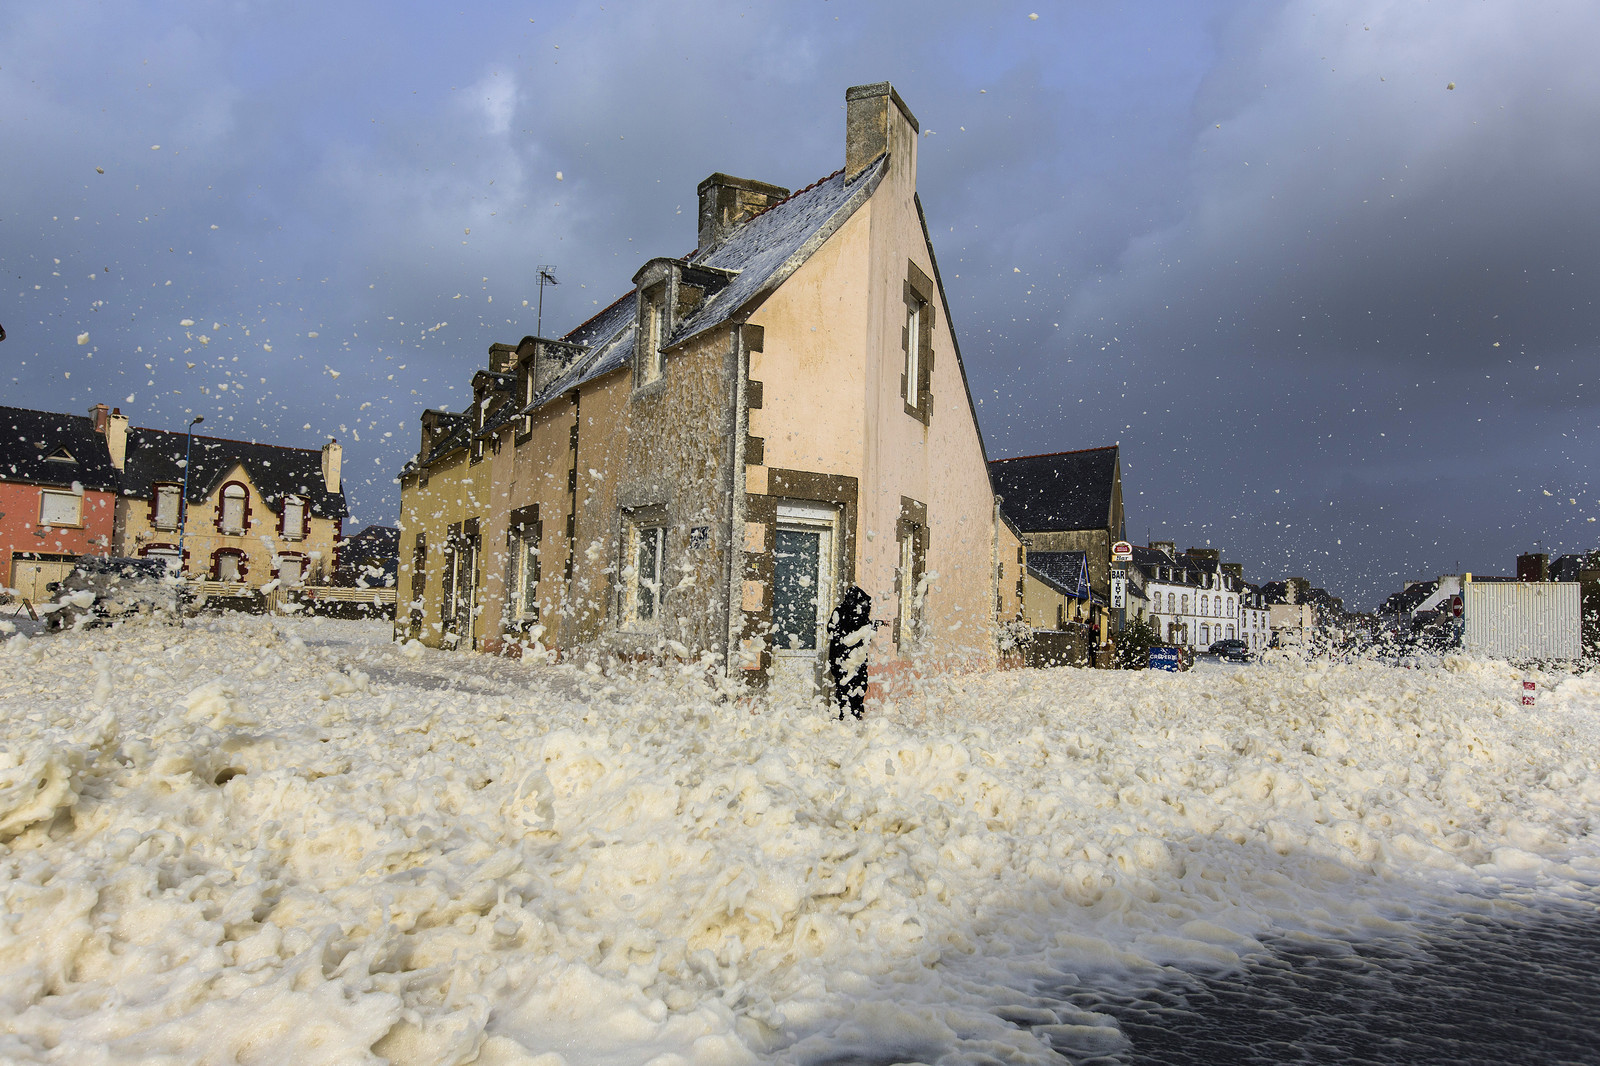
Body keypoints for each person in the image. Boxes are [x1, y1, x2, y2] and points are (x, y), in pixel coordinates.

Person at [827, 584, 875, 720]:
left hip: (858, 659)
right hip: (841, 658)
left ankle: (856, 712)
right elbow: (832, 631)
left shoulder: (860, 614)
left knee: (860, 684)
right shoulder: (839, 612)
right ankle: (845, 713)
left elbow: (866, 632)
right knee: (844, 686)